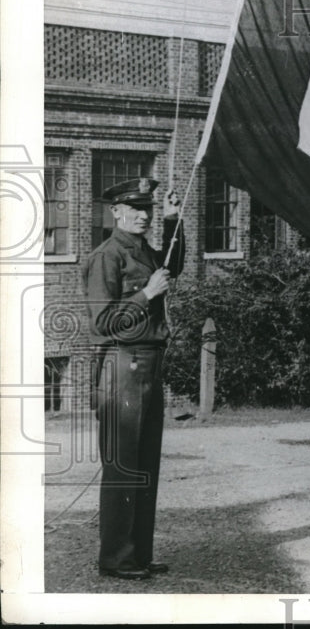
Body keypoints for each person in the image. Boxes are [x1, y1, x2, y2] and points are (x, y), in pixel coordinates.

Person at [84, 177, 184, 580]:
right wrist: (147, 295)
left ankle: (137, 554)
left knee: (145, 464)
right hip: (122, 364)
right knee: (124, 465)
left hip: (147, 363)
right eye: (136, 209)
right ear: (117, 213)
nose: (144, 215)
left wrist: (175, 218)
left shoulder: (140, 250)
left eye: (148, 209)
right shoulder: (107, 257)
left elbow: (171, 263)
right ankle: (116, 558)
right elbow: (103, 322)